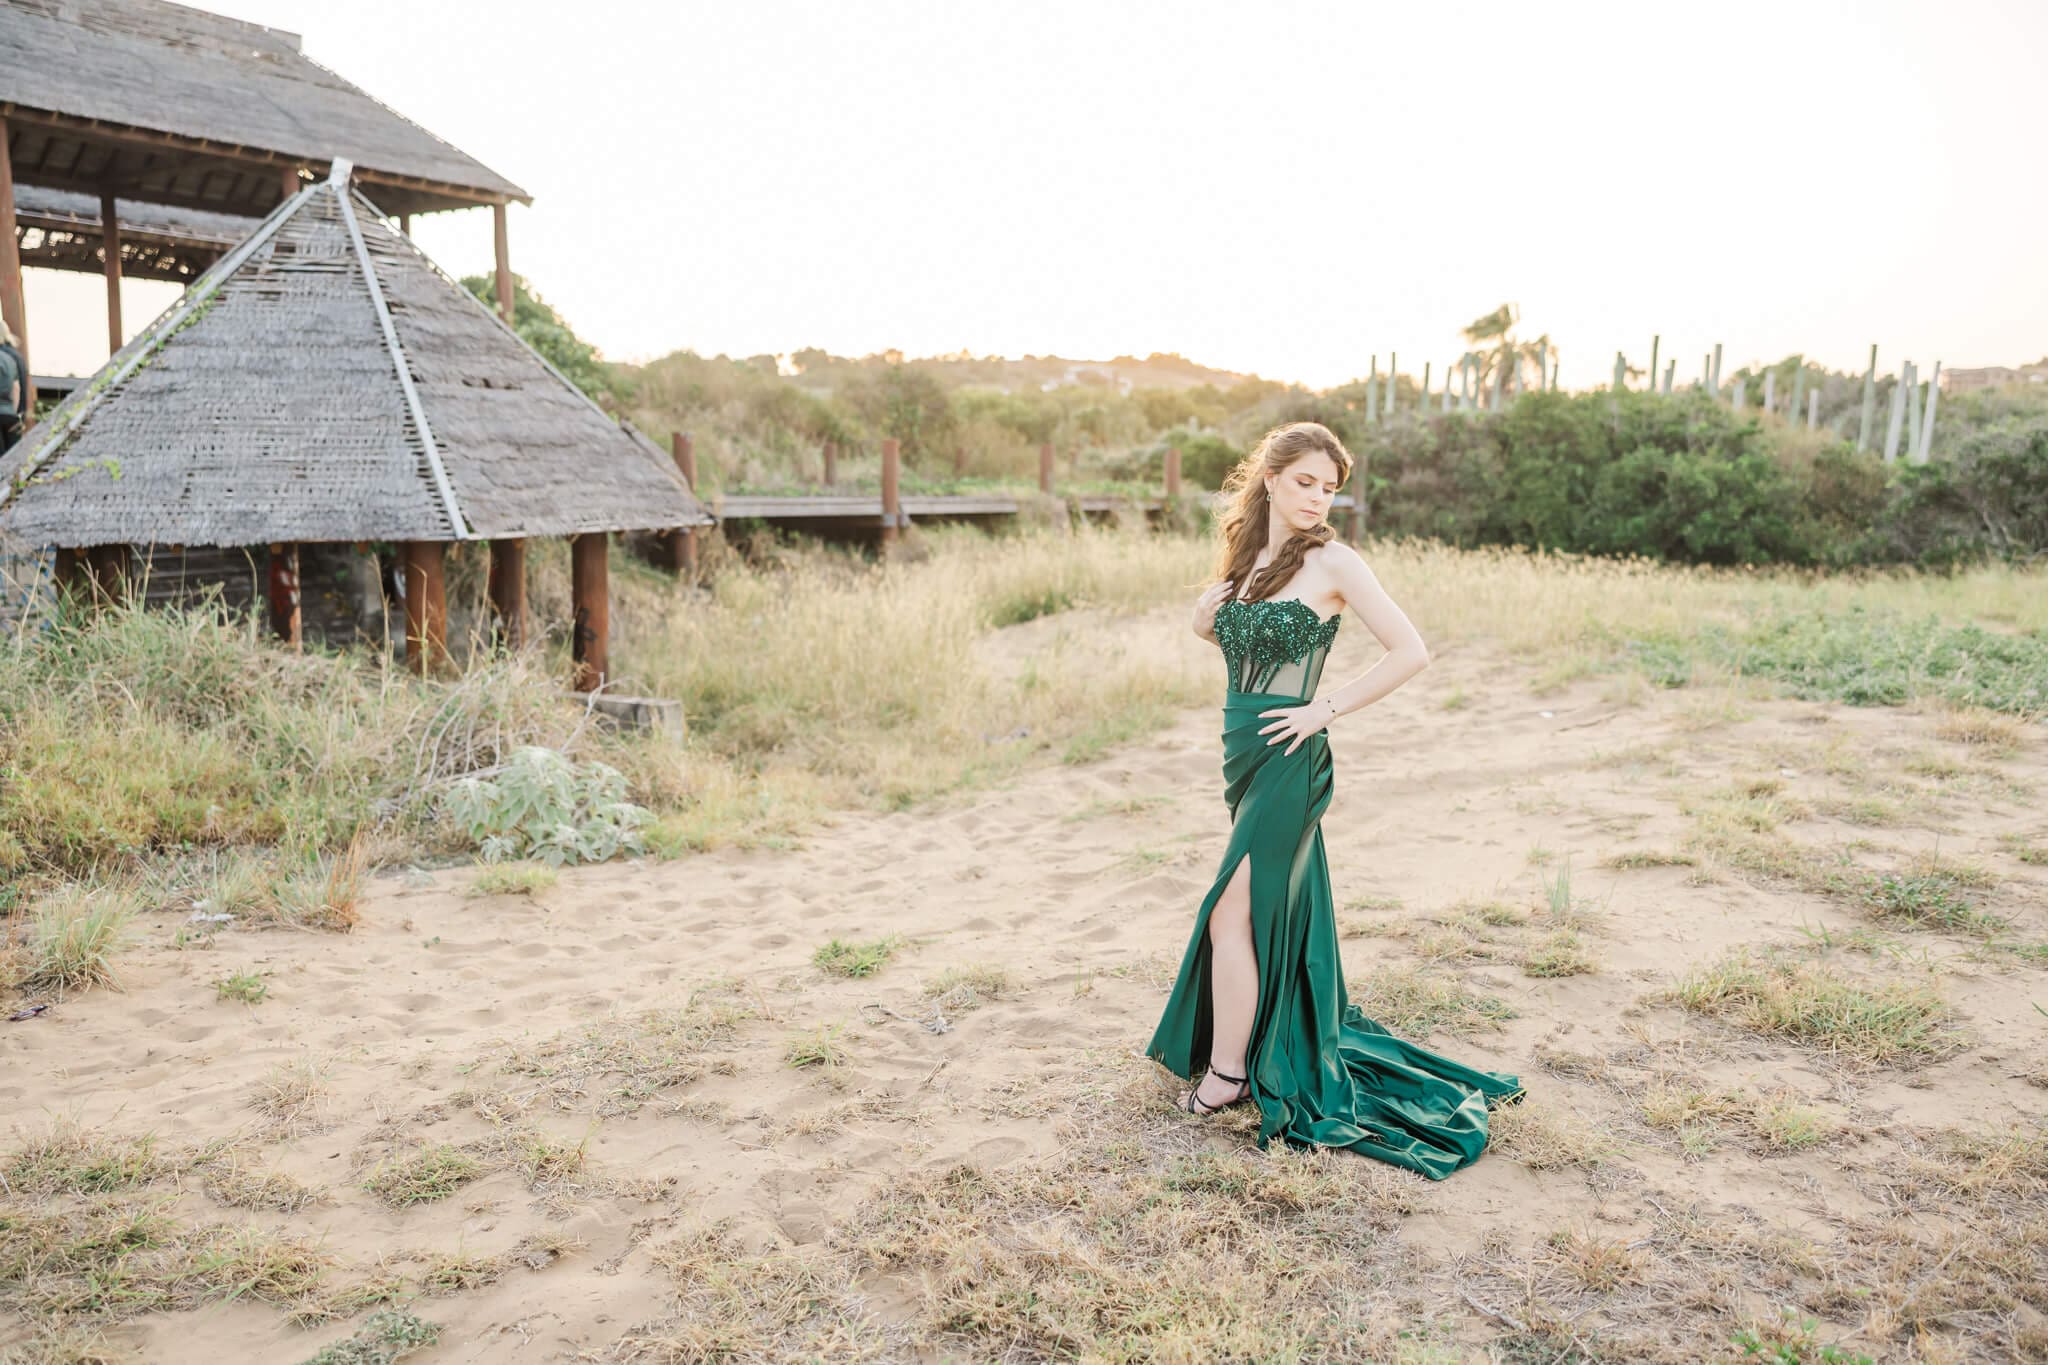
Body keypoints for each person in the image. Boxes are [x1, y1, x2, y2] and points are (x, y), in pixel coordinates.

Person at [1145, 420, 1524, 1180]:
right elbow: (1255, 649)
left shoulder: (1336, 560)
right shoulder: (1250, 557)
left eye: (1330, 487)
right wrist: (1204, 621)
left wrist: (1327, 708)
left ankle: (1227, 1075)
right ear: (1271, 478)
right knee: (1256, 912)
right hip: (1244, 749)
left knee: (1230, 911)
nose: (1319, 498)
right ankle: (1249, 1048)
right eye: (1306, 482)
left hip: (1293, 755)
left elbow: (1412, 650)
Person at [0, 321, 22, 455]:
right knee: (13, 458)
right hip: (10, 414)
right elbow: (16, 389)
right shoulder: (10, 359)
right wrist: (12, 411)